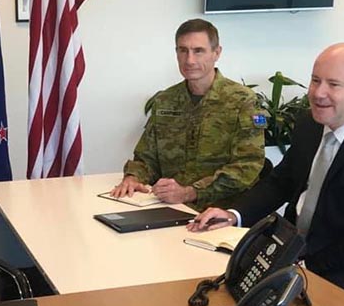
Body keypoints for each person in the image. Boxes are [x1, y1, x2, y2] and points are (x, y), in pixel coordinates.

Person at [189, 43, 344, 306]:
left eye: (333, 84)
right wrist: (233, 214)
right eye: (315, 80)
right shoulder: (310, 123)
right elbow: (280, 182)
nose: (318, 93)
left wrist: (302, 263)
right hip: (299, 248)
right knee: (220, 284)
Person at [111, 19, 266, 210]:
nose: (189, 60)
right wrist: (133, 177)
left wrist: (190, 192)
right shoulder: (165, 100)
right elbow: (146, 157)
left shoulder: (243, 101)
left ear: (216, 53)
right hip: (168, 207)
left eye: (198, 51)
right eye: (182, 50)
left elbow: (247, 166)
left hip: (221, 213)